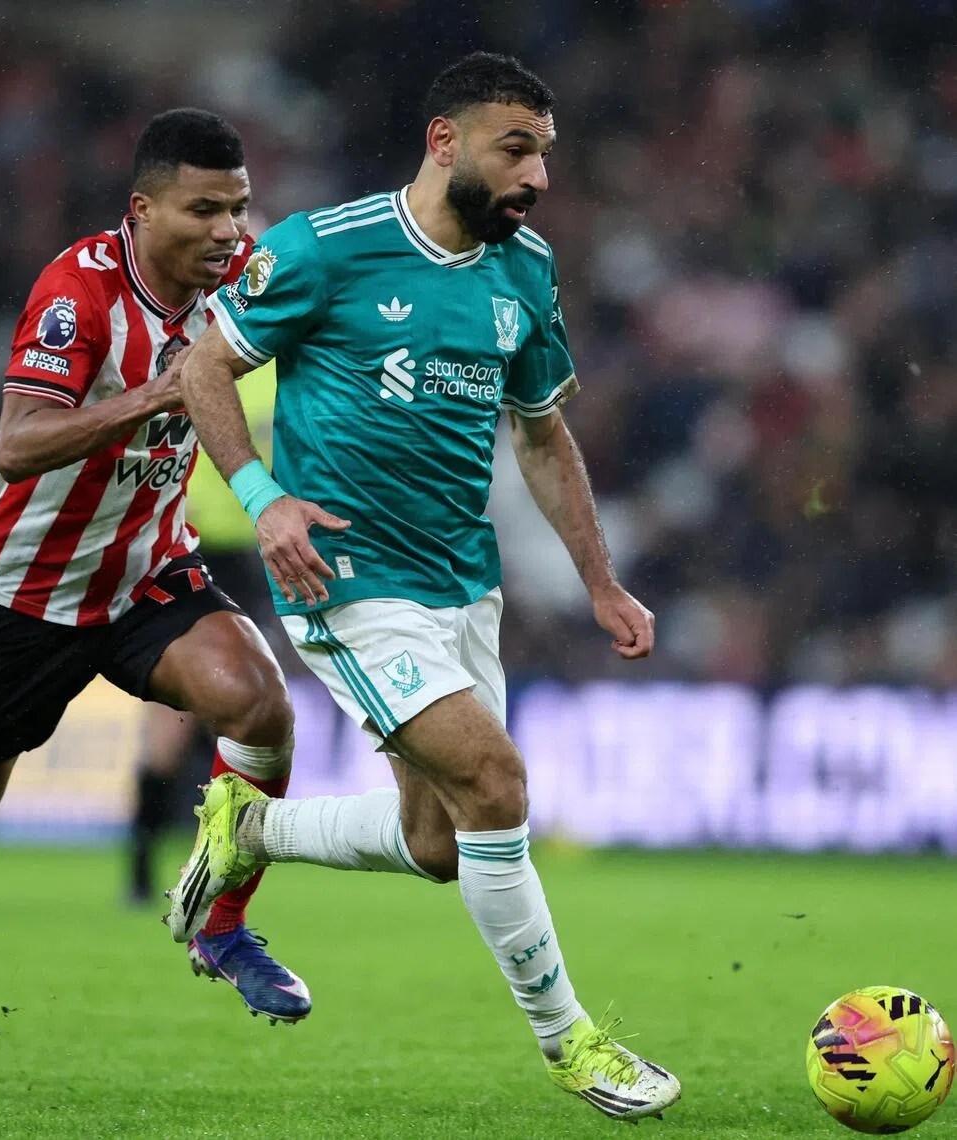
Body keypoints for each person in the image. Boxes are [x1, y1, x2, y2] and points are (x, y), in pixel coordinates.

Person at [167, 54, 681, 1122]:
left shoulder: (524, 272)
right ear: (446, 143)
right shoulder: (325, 248)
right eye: (516, 148)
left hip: (461, 586)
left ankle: (248, 829)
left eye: (546, 152)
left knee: (442, 844)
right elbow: (202, 371)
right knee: (495, 783)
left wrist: (602, 583)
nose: (538, 175)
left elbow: (542, 437)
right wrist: (263, 499)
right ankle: (572, 1041)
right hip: (346, 579)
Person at [0, 108, 311, 1102]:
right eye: (205, 210)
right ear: (143, 210)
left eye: (239, 208)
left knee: (260, 705)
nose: (228, 230)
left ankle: (219, 925)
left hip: (147, 576)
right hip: (23, 599)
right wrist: (157, 395)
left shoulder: (246, 281)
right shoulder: (78, 290)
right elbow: (16, 444)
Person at [129, 360, 278, 906]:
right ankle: (144, 869)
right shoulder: (199, 360)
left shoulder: (279, 365)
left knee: (239, 718)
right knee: (174, 721)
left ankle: (203, 867)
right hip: (187, 548)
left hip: (252, 554)